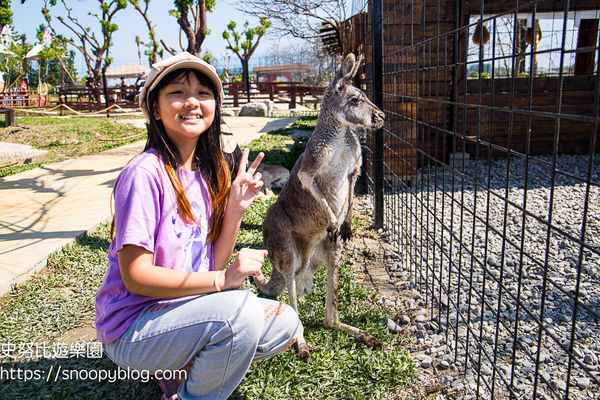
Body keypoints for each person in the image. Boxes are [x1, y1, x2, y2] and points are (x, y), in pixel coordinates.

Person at [94, 52, 300, 400]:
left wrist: (235, 210)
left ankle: (183, 365)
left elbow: (210, 264)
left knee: (285, 321)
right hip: (134, 329)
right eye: (177, 92)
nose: (192, 101)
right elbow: (136, 276)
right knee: (241, 312)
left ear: (214, 107)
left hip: (182, 311)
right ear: (155, 109)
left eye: (203, 93)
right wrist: (222, 282)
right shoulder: (144, 175)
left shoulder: (204, 175)